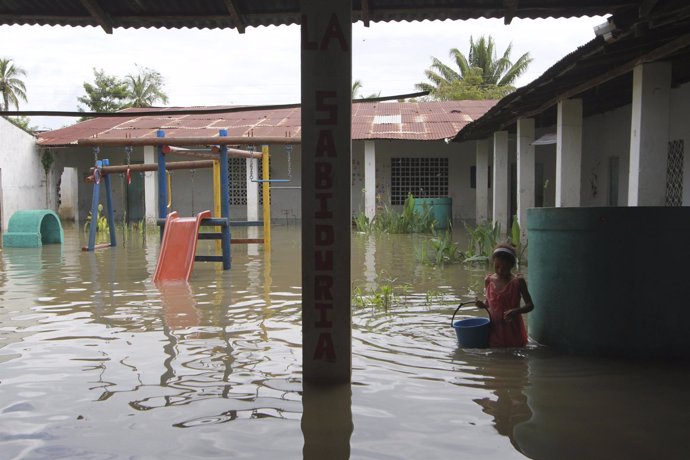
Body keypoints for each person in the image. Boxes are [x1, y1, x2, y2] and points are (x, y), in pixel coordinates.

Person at [476, 243, 534, 347]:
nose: (500, 270)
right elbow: (489, 303)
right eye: (497, 266)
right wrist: (482, 305)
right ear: (493, 263)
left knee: (516, 353)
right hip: (495, 328)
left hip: (514, 328)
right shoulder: (488, 280)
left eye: (504, 267)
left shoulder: (518, 282)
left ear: (511, 265)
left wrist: (515, 311)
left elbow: (530, 305)